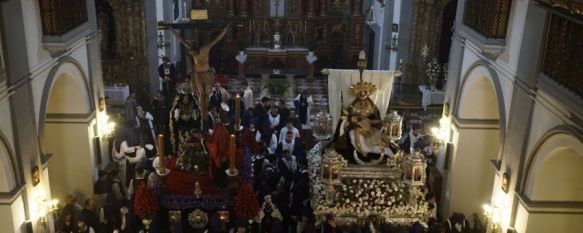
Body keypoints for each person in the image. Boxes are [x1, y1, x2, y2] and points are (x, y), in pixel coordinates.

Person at [169, 24, 231, 119]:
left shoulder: (206, 48)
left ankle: (205, 111)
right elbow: (181, 40)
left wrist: (225, 30)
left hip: (206, 73)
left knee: (206, 93)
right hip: (197, 74)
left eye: (194, 53)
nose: (193, 55)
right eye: (192, 53)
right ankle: (203, 112)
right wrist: (172, 30)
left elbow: (217, 40)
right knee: (201, 93)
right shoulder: (191, 49)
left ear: (198, 49)